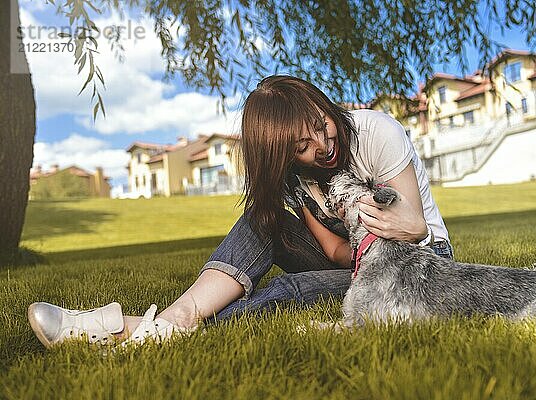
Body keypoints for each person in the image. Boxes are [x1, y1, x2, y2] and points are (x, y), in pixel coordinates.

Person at [27, 75, 453, 347]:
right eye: (302, 148)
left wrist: (376, 236)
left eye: (321, 126)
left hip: (416, 264)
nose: (322, 146)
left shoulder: (375, 132)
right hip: (356, 258)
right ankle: (178, 316)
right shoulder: (298, 177)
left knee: (286, 293)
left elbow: (412, 229)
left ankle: (130, 329)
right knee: (260, 220)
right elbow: (334, 250)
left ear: (323, 105)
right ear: (283, 157)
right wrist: (345, 258)